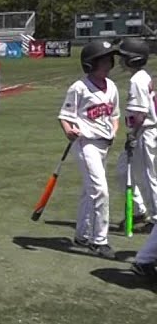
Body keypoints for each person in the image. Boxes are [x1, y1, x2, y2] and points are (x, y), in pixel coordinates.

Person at [59, 40, 121, 259]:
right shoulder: (79, 88)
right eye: (103, 59)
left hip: (104, 144)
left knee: (89, 190)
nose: (108, 63)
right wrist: (68, 131)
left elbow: (115, 115)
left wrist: (114, 131)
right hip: (85, 144)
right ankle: (99, 240)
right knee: (100, 190)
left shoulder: (112, 86)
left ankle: (82, 234)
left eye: (109, 59)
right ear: (90, 63)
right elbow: (65, 116)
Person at [116, 38, 157, 231]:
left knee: (147, 177)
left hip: (144, 132)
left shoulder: (137, 80)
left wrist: (132, 135)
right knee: (124, 171)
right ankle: (140, 211)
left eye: (124, 57)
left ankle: (155, 218)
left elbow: (140, 115)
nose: (120, 60)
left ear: (133, 59)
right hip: (141, 131)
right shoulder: (142, 76)